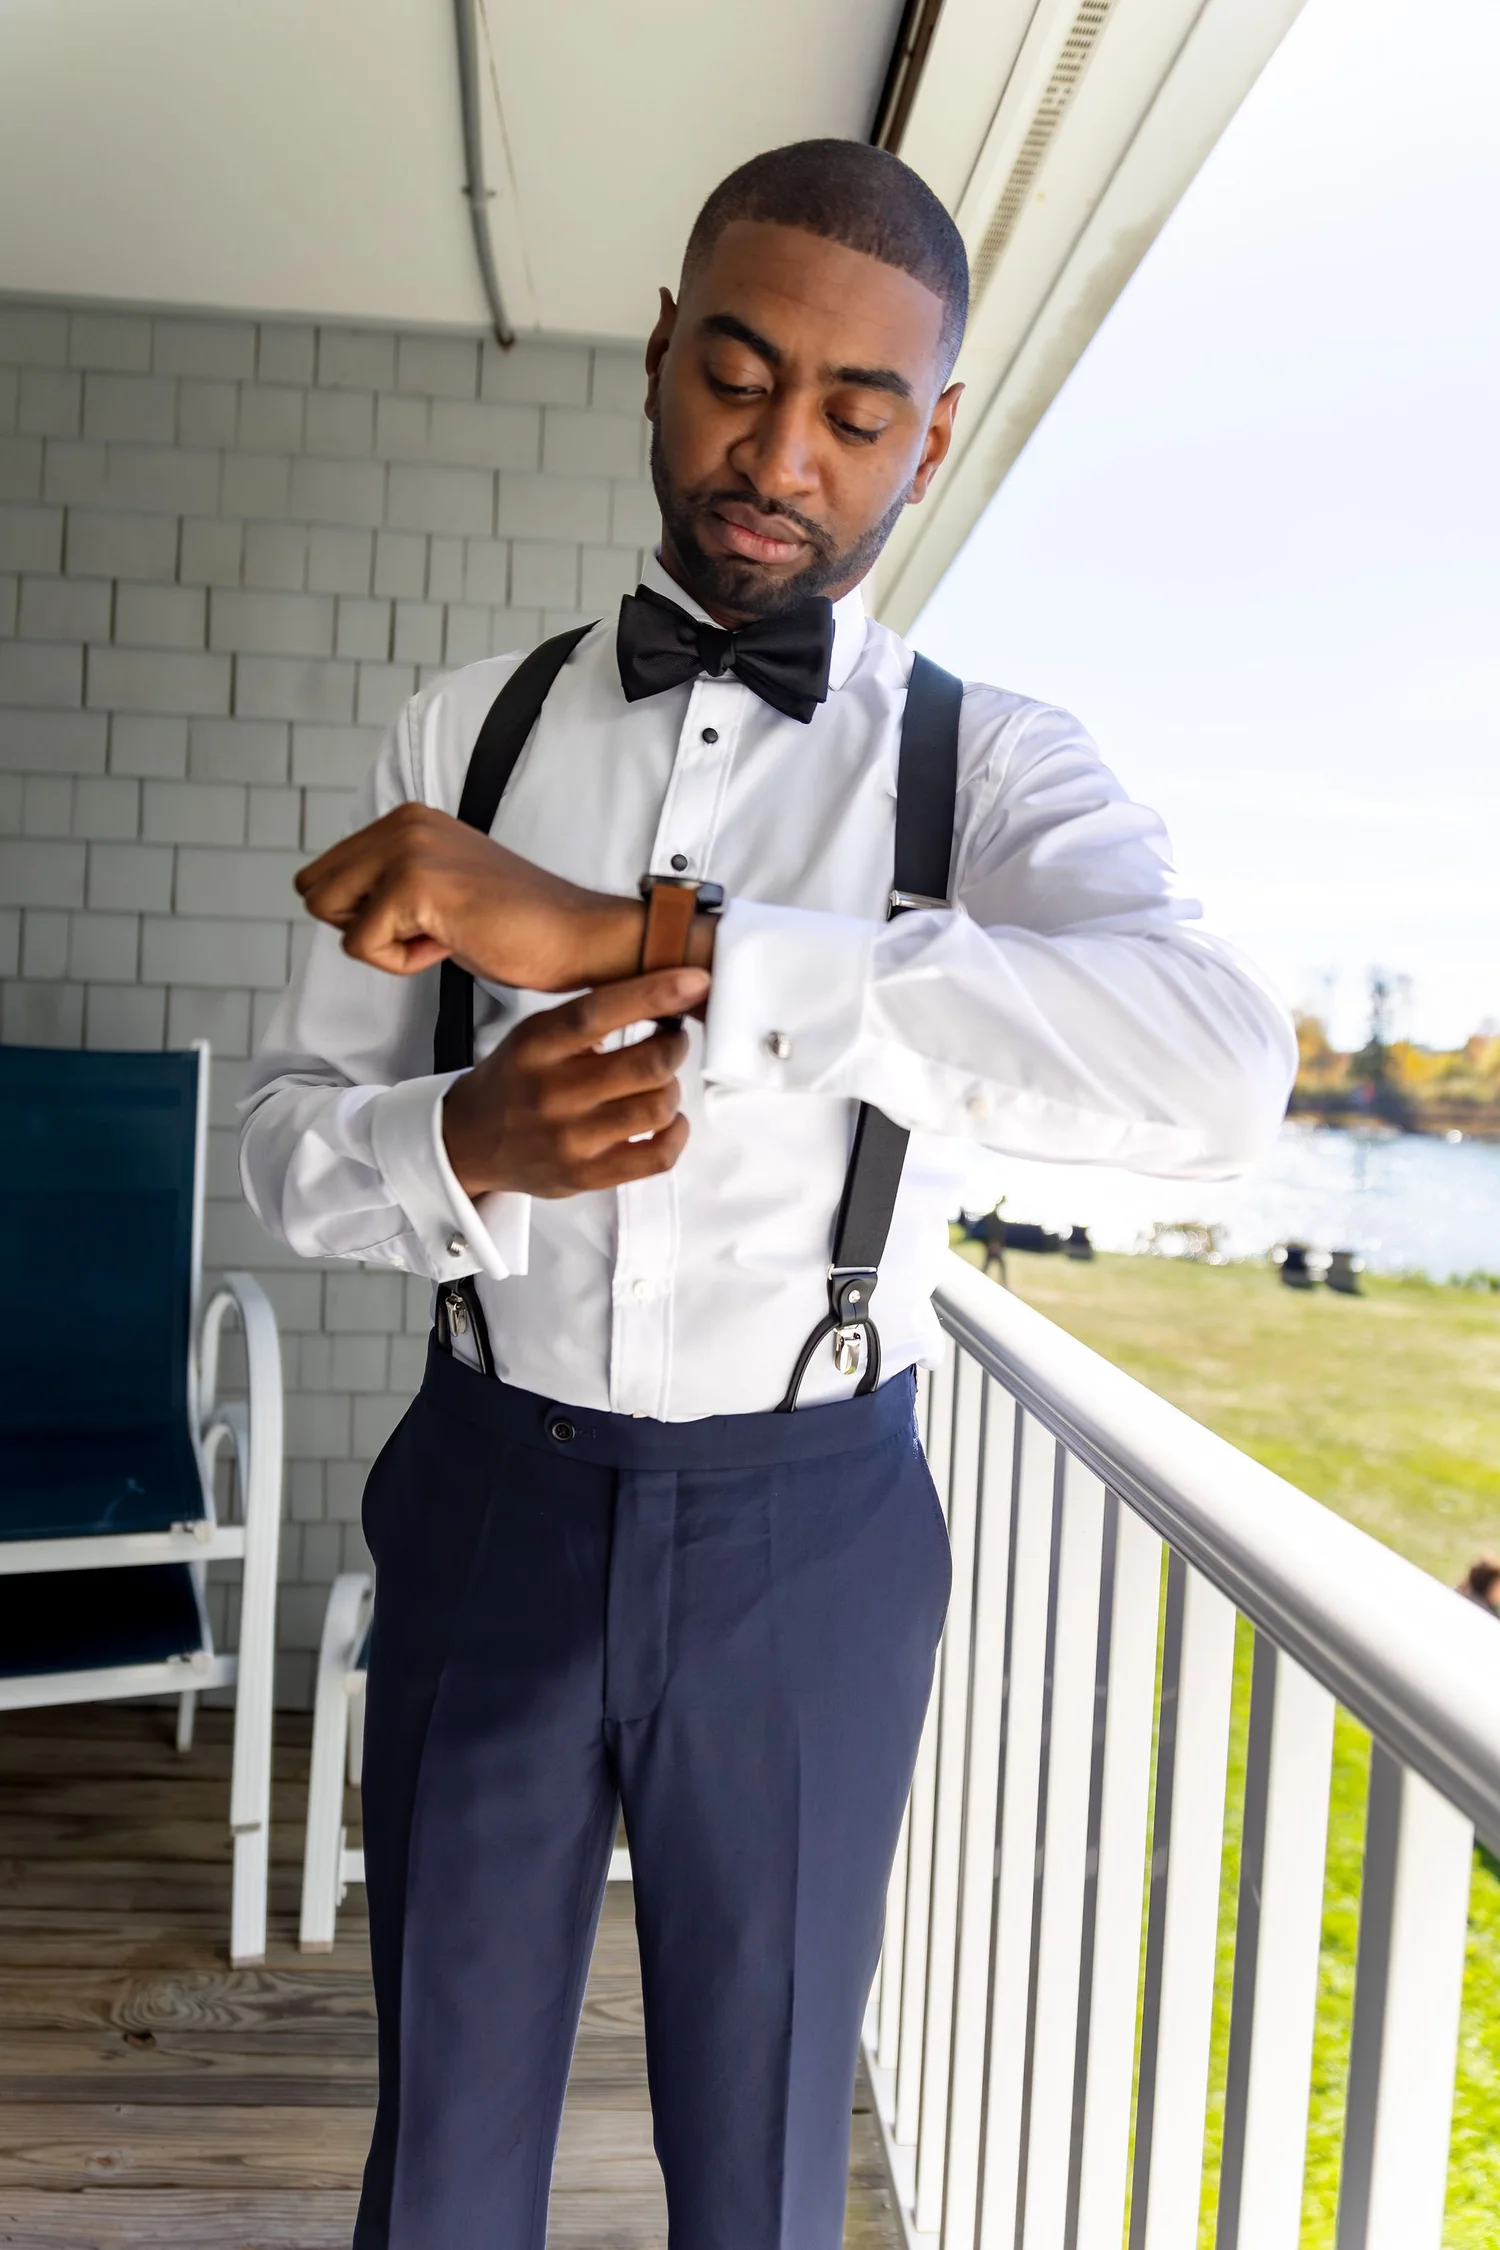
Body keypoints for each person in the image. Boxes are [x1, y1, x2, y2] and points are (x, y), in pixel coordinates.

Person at [240, 138, 1296, 2250]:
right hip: (488, 1493)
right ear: (657, 355)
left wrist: (669, 950)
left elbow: (1219, 1068)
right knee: (439, 2148)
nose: (780, 452)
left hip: (810, 1532)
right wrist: (458, 1144)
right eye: (736, 375)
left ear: (936, 436)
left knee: (765, 2161)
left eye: (855, 410)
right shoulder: (472, 724)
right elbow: (283, 1148)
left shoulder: (982, 769)